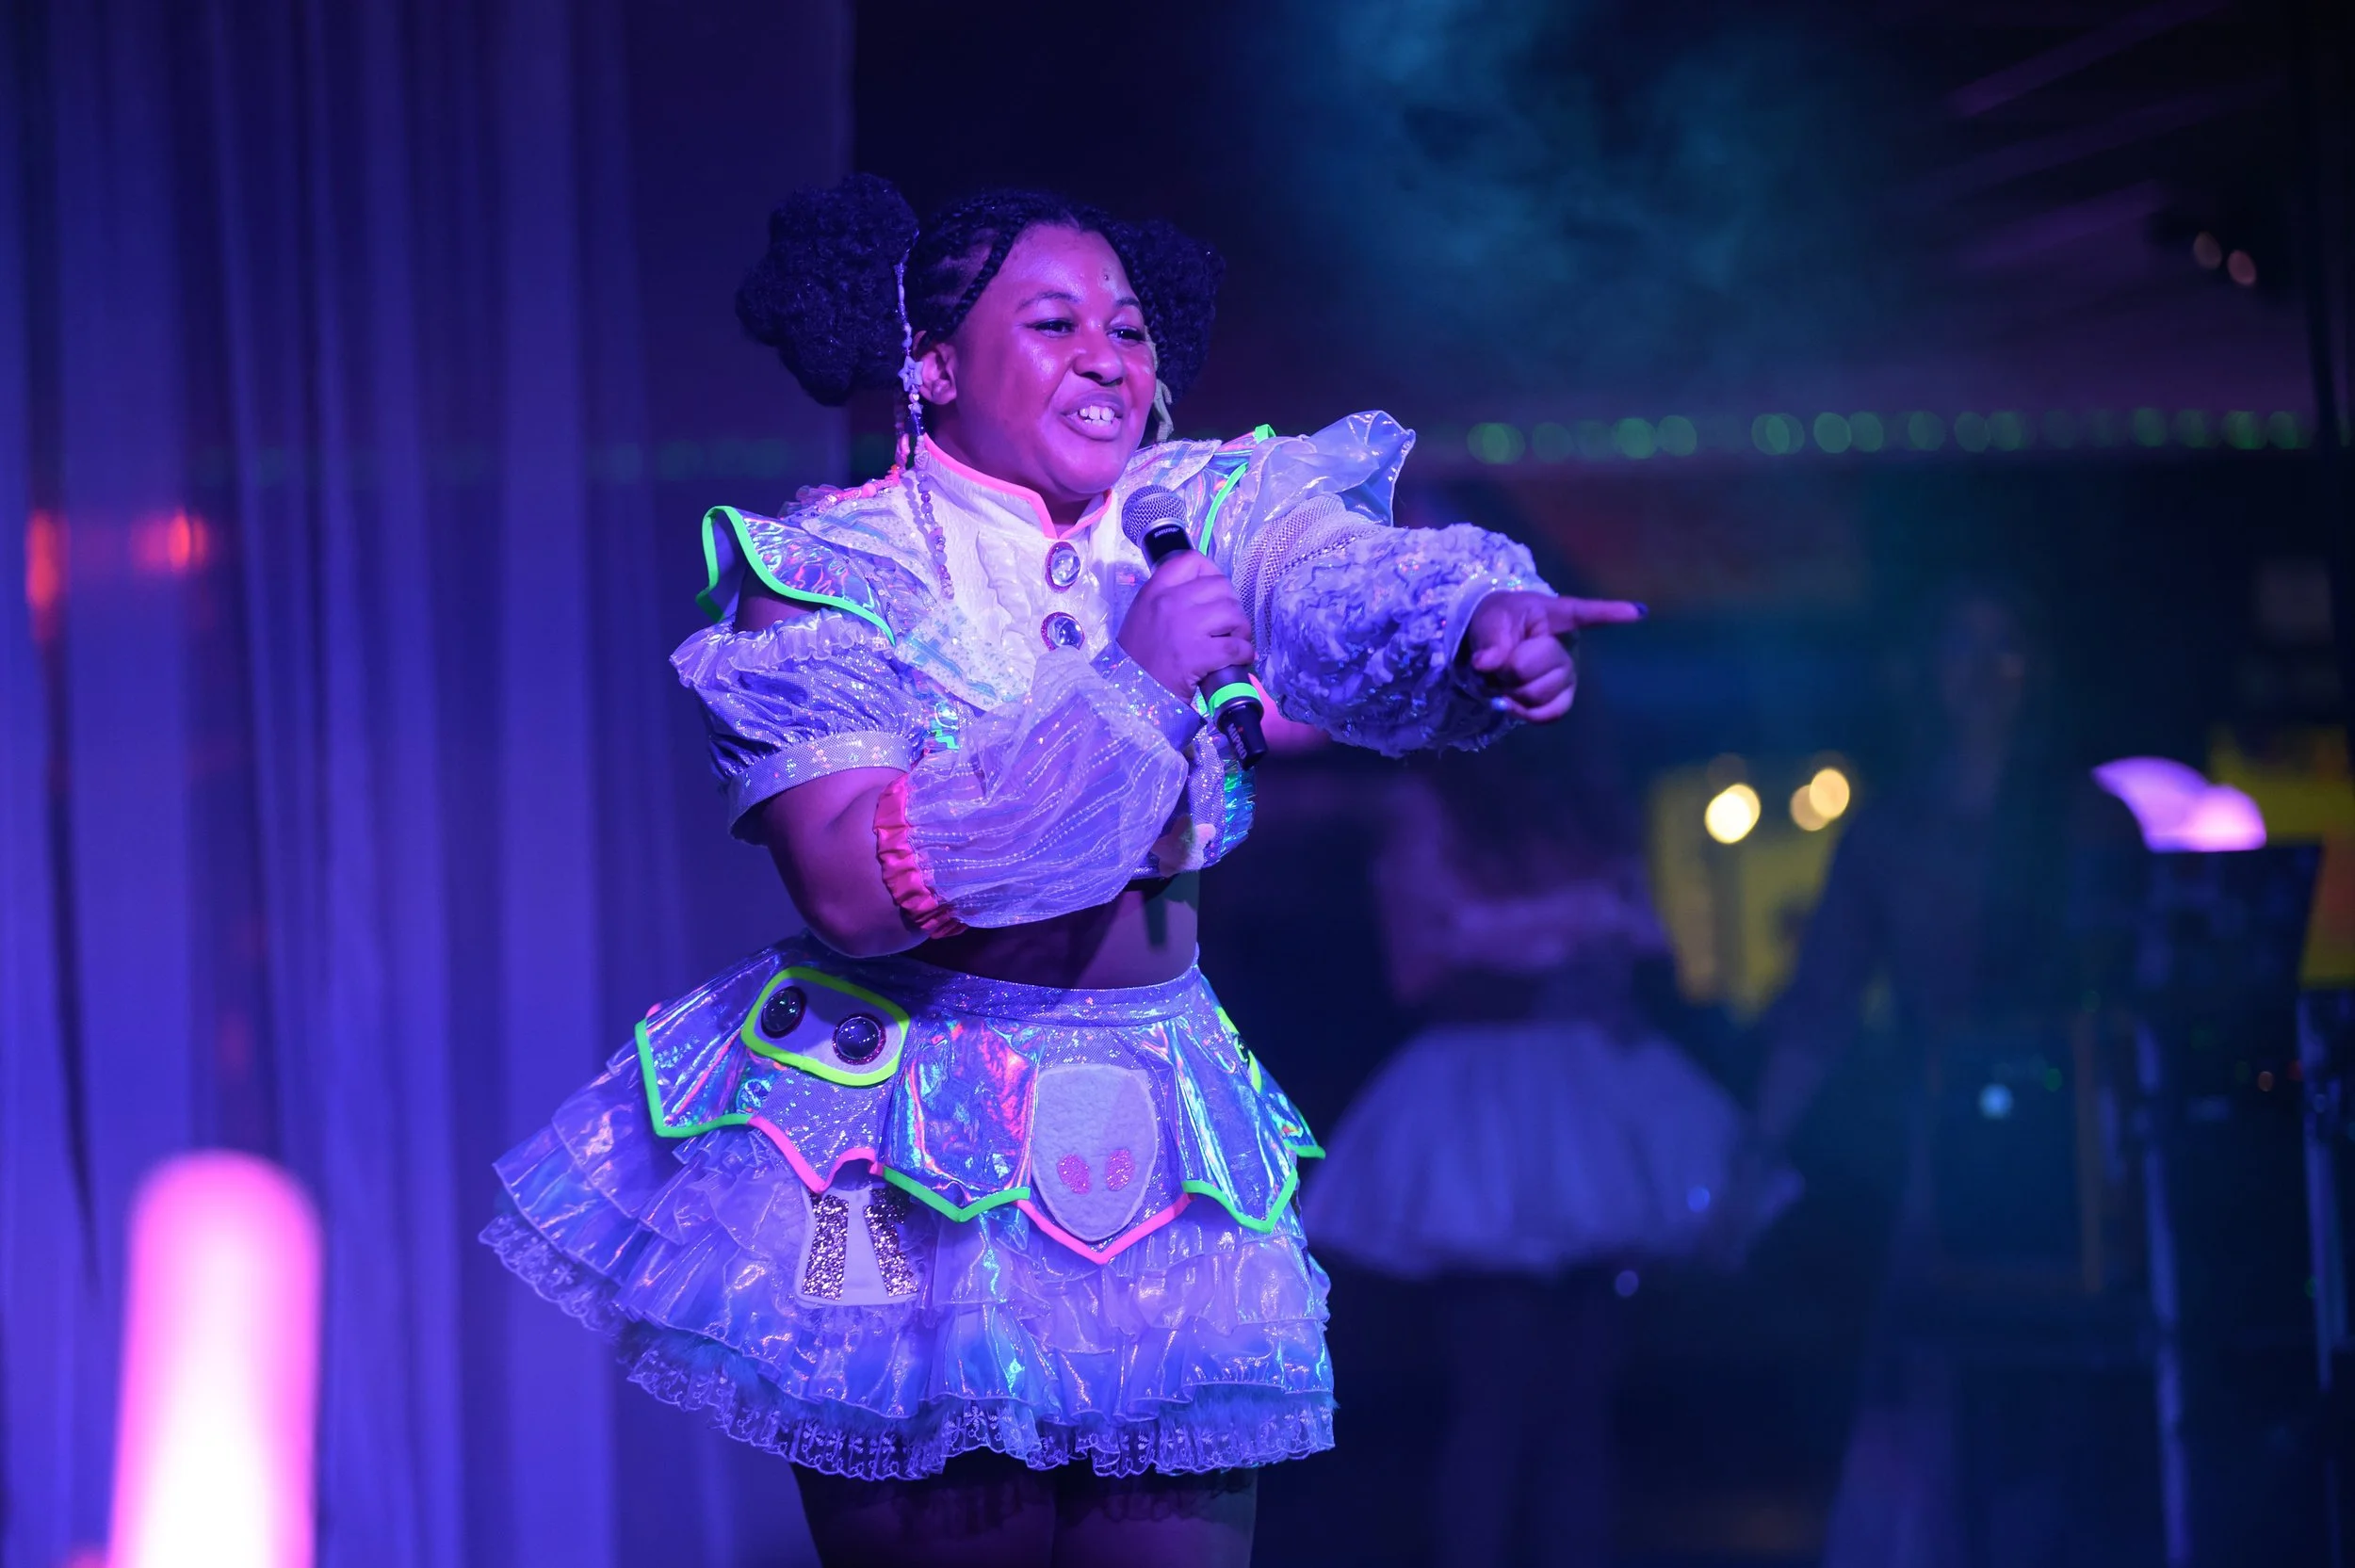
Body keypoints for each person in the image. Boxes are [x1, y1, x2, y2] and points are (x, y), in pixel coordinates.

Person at [479, 174, 1642, 1568]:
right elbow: (852, 881)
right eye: (1053, 321)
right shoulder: (830, 569)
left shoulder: (1193, 509)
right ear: (932, 363)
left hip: (1154, 1120)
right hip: (866, 1158)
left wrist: (1473, 616)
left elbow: (1334, 572)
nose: (1110, 353)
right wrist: (1134, 687)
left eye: (1130, 325)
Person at [1306, 686, 1792, 1568]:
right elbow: (1419, 974)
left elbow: (1648, 953)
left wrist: (1611, 991)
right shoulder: (1427, 803)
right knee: (1496, 1397)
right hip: (1488, 1112)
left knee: (1581, 1406)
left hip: (1596, 1097)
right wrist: (1547, 992)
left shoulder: (1593, 802)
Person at [1714, 581, 2141, 1568]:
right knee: (1952, 1402)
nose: (1985, 673)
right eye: (1963, 647)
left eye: (2006, 646)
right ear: (1924, 673)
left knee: (2069, 1411)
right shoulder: (1890, 832)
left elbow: (2133, 991)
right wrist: (1751, 1160)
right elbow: (1818, 1009)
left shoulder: (2088, 818)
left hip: (2080, 1152)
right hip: (1945, 1155)